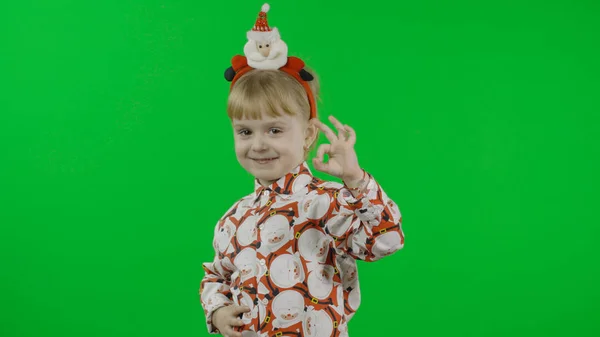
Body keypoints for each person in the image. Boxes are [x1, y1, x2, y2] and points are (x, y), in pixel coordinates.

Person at [199, 4, 405, 337]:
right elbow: (216, 275)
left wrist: (355, 180)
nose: (258, 144)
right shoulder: (233, 219)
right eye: (245, 131)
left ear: (308, 134)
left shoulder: (328, 202)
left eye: (275, 130)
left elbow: (387, 240)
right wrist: (219, 310)